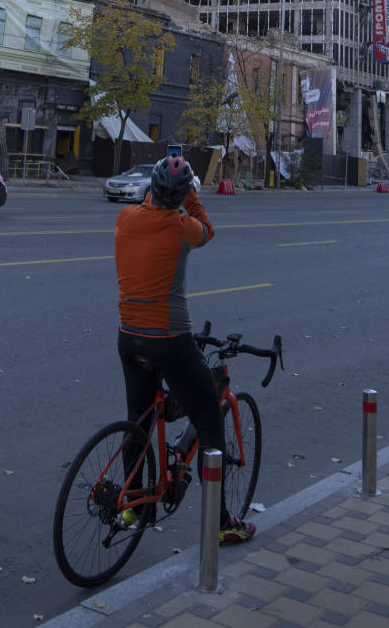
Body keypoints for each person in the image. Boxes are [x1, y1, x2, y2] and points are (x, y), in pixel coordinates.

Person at [114, 152, 256, 545]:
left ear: (151, 191)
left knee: (138, 420)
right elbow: (208, 229)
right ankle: (222, 519)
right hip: (169, 338)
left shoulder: (125, 218)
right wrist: (192, 196)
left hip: (128, 336)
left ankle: (134, 503)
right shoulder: (182, 227)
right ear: (182, 197)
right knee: (210, 415)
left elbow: (148, 207)